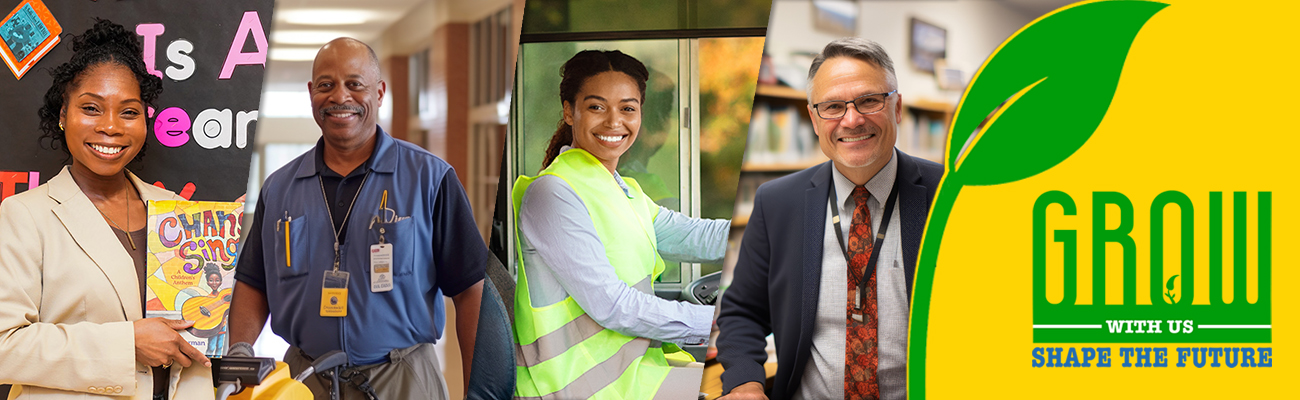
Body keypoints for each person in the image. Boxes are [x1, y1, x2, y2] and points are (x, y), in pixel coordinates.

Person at [227, 37, 486, 400]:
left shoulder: (430, 178)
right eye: (326, 85)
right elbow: (254, 282)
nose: (339, 97)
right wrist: (240, 351)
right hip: (304, 381)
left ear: (379, 93)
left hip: (403, 380)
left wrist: (480, 390)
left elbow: (471, 290)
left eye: (354, 84)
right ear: (311, 93)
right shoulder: (280, 188)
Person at [715, 38, 944, 400]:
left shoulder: (951, 195)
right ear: (814, 119)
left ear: (897, 107)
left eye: (869, 100)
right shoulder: (777, 203)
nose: (852, 120)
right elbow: (743, 311)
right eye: (833, 107)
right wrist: (745, 383)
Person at [0, 20, 213, 399]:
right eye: (92, 108)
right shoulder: (23, 216)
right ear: (63, 114)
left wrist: (226, 252)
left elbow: (198, 338)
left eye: (128, 112)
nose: (111, 127)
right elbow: (4, 347)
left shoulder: (180, 214)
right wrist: (125, 343)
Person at [511, 50, 729, 399]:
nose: (614, 122)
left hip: (630, 370)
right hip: (581, 384)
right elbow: (615, 306)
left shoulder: (621, 189)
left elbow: (695, 236)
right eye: (597, 107)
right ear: (570, 111)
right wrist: (721, 322)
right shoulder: (553, 193)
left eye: (627, 108)